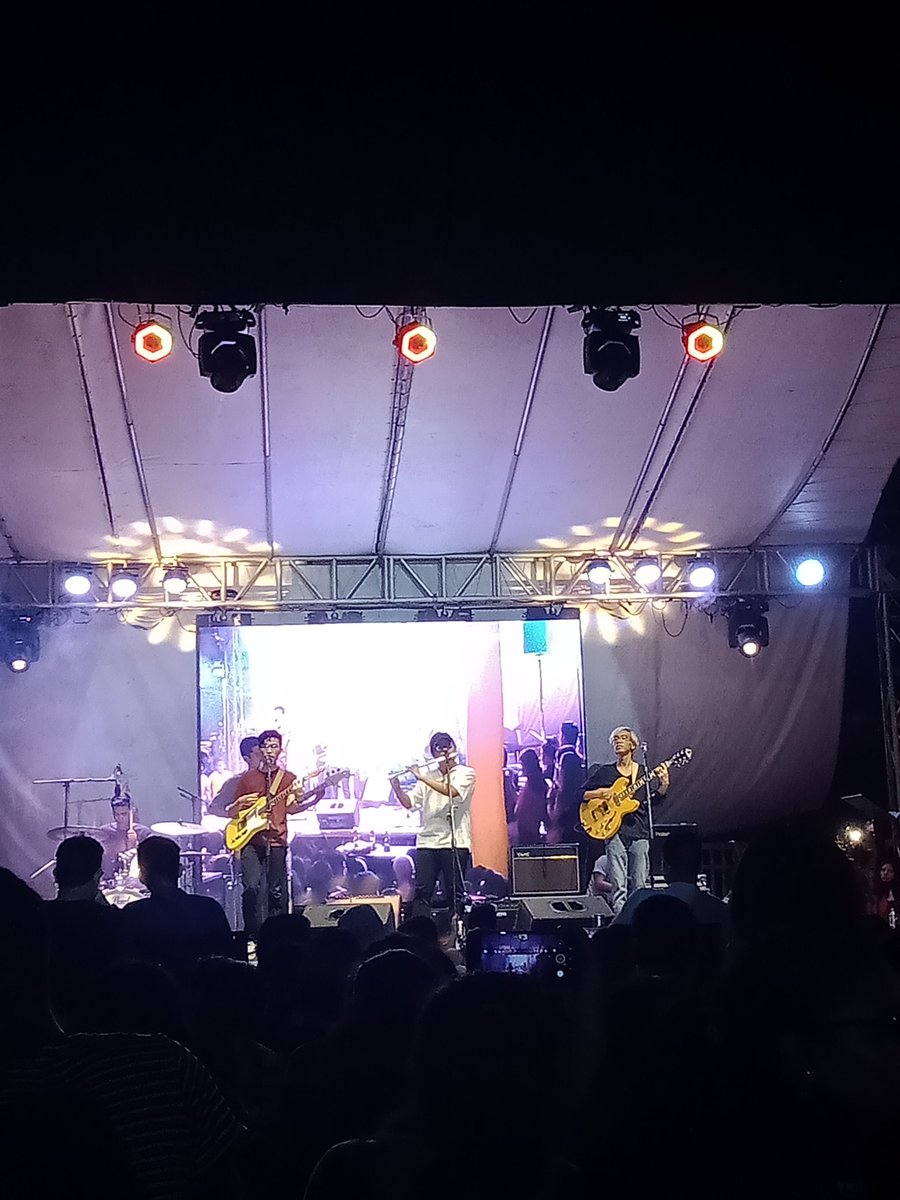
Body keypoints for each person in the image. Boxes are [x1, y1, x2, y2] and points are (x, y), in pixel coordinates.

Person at [228, 729, 319, 938]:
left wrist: (313, 798)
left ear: (280, 750)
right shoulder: (247, 779)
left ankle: (277, 936)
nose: (270, 750)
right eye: (266, 746)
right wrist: (238, 803)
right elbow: (232, 812)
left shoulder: (288, 778)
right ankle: (252, 934)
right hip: (251, 840)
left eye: (274, 746)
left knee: (276, 890)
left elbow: (292, 808)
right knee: (251, 888)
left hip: (277, 839)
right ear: (260, 750)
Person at [119, 835, 234, 976]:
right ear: (180, 870)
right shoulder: (210, 909)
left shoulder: (133, 914)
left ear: (142, 873)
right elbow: (227, 958)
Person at [583, 726, 668, 914]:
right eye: (616, 739)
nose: (619, 741)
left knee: (639, 884)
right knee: (618, 886)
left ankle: (638, 921)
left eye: (623, 738)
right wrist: (603, 792)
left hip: (639, 830)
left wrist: (663, 786)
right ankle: (620, 922)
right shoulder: (606, 772)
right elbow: (582, 794)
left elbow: (650, 802)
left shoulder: (643, 772)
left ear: (633, 745)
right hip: (614, 831)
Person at [390, 732, 475, 912]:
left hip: (455, 842)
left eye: (448, 746)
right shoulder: (429, 776)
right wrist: (397, 789)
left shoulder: (466, 773)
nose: (445, 751)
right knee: (422, 892)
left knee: (455, 893)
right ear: (433, 753)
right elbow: (410, 803)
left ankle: (457, 926)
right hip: (428, 842)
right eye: (439, 747)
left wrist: (421, 777)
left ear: (454, 748)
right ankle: (420, 928)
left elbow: (452, 791)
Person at [45, 836, 121, 1030]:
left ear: (55, 873)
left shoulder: (34, 916)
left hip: (43, 1021)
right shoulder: (113, 921)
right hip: (98, 1022)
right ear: (97, 876)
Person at [613, 827, 728, 937]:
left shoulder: (639, 900)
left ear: (664, 865)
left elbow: (612, 938)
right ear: (700, 865)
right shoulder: (719, 910)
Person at [99, 795, 151, 880]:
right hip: (109, 878)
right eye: (116, 814)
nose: (120, 818)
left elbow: (149, 858)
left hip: (136, 879)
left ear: (131, 813)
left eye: (124, 814)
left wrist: (135, 844)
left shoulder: (142, 832)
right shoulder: (105, 831)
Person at [207, 735, 261, 817]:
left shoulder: (277, 779)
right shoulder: (235, 782)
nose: (264, 757)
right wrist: (234, 810)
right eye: (258, 755)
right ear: (247, 759)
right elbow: (213, 808)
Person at [514, 748, 549, 844]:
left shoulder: (536, 784)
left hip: (529, 831)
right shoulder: (531, 783)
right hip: (525, 829)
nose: (521, 769)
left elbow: (540, 809)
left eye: (522, 765)